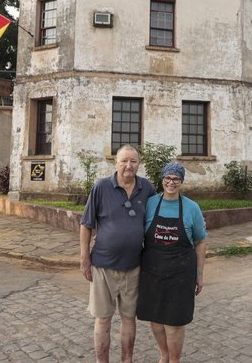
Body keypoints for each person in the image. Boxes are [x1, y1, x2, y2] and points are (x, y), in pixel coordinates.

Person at [80, 144, 157, 363]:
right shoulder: (101, 187)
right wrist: (84, 259)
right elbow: (86, 225)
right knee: (103, 319)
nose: (128, 166)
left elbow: (157, 220)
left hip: (134, 266)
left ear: (139, 164)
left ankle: (127, 360)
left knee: (128, 318)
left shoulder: (147, 188)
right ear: (116, 163)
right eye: (124, 161)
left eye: (133, 161)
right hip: (103, 266)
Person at [137, 162, 207, 363]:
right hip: (152, 272)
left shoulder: (192, 208)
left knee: (174, 322)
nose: (171, 182)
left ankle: (174, 360)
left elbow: (201, 242)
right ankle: (164, 355)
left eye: (176, 179)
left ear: (182, 182)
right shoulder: (150, 203)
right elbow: (132, 228)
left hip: (181, 273)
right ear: (162, 179)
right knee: (156, 320)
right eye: (167, 178)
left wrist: (199, 274)